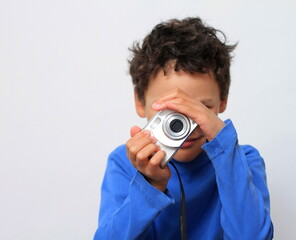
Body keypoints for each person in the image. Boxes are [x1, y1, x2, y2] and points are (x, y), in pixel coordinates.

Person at [94, 17, 273, 239]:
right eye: (170, 111)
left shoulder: (243, 159)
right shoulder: (125, 163)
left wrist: (224, 146)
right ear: (140, 102)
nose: (185, 127)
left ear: (222, 101)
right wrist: (150, 185)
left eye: (201, 108)